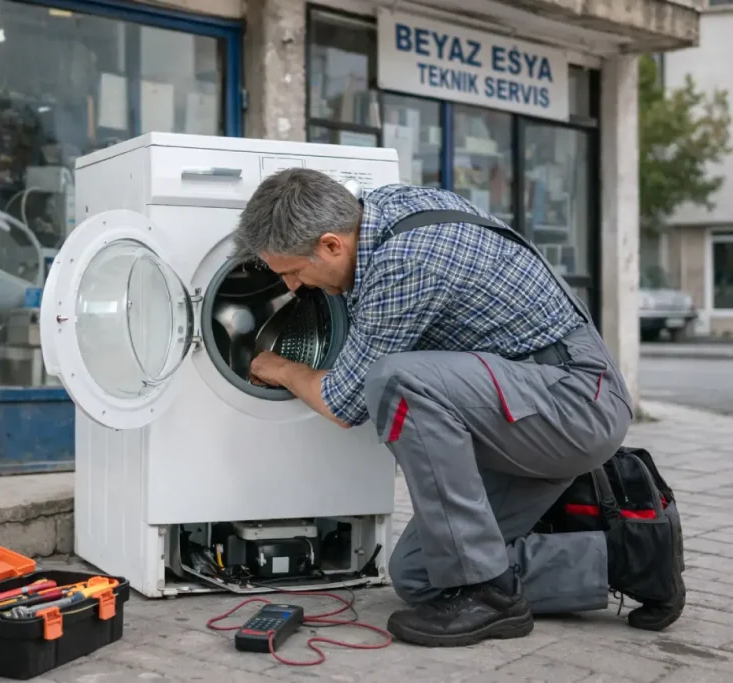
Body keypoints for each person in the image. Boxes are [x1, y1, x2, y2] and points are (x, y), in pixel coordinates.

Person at [234, 168, 685, 648]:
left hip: (572, 404)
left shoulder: (404, 261)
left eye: (292, 273)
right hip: (521, 408)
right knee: (420, 576)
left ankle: (490, 597)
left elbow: (345, 402)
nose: (295, 288)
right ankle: (632, 560)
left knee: (395, 379)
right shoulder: (381, 211)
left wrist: (281, 368)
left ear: (330, 245)